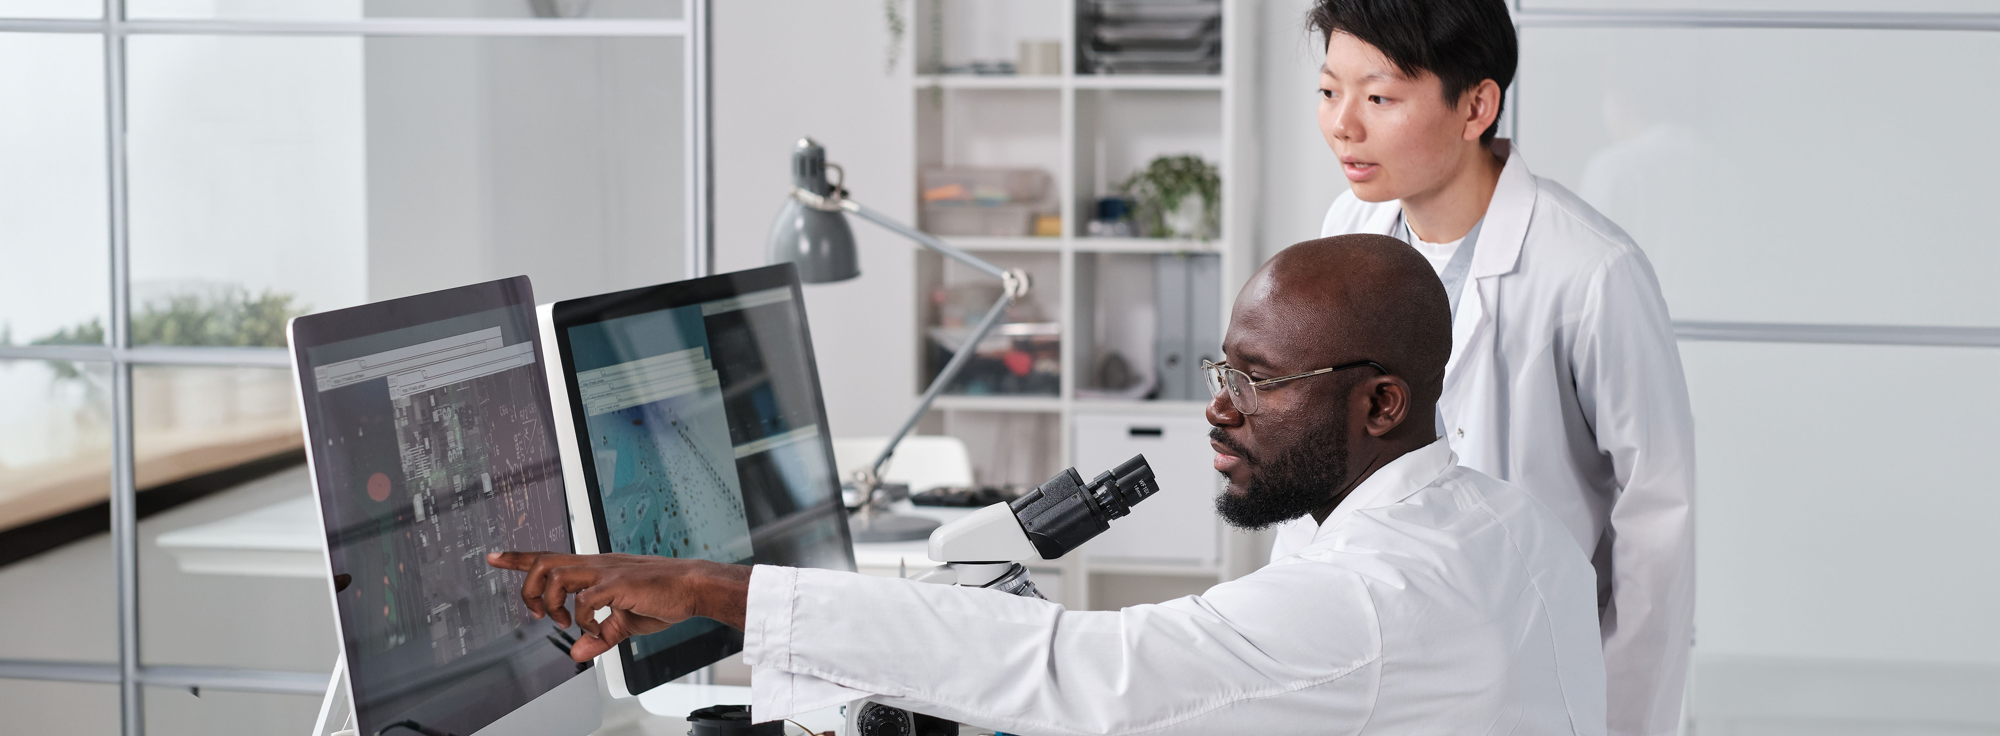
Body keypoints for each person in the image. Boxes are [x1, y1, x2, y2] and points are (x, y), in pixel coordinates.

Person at [491, 235, 1607, 735]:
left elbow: (1095, 673)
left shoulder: (1371, 603)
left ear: (1378, 405)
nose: (1218, 407)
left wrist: (713, 589)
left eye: (1261, 382)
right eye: (1223, 369)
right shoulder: (1508, 522)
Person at [1302, 3, 1698, 735]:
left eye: (1380, 97)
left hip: (1526, 679)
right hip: (1376, 656)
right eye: (1330, 92)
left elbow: (1657, 524)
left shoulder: (1589, 270)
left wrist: (1626, 718)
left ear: (1476, 105)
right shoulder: (1347, 230)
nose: (1342, 125)